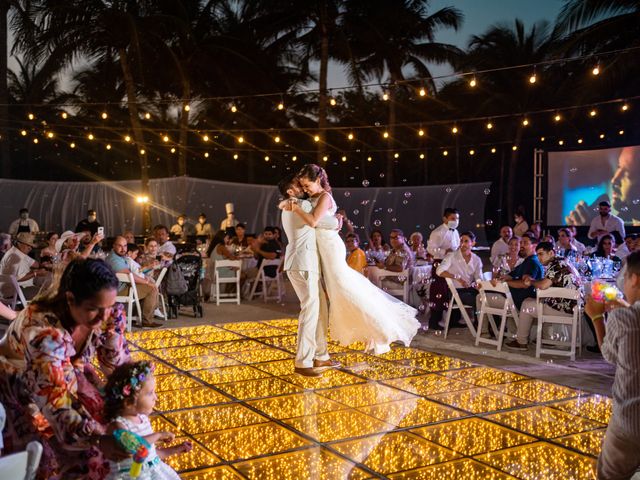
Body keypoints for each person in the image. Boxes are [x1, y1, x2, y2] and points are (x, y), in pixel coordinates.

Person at [0, 258, 131, 478]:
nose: (103, 317)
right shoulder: (42, 331)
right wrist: (97, 438)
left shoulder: (106, 313)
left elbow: (117, 367)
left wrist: (113, 337)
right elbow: (53, 398)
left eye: (108, 307)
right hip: (17, 382)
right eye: (94, 309)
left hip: (62, 377)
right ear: (70, 299)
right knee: (49, 459)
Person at [289, 164, 420, 355]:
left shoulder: (325, 197)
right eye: (303, 186)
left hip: (331, 247)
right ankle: (371, 331)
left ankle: (380, 330)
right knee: (340, 291)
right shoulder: (313, 198)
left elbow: (314, 221)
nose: (305, 189)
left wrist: (295, 209)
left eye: (307, 185)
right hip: (325, 247)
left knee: (345, 287)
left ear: (318, 180)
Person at [279, 174, 342, 376]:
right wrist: (338, 219)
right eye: (299, 186)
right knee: (310, 309)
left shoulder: (292, 205)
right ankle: (303, 361)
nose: (304, 189)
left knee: (320, 308)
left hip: (298, 262)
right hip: (304, 263)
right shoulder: (301, 206)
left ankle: (321, 356)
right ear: (290, 192)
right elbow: (327, 223)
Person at [584, 251, 640, 479]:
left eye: (624, 277)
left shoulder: (624, 318)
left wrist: (597, 318)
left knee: (610, 473)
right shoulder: (627, 314)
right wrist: (625, 305)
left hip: (631, 418)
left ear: (635, 279)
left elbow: (610, 354)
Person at [104, 361, 192, 479]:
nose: (155, 397)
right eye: (150, 393)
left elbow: (152, 456)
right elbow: (134, 447)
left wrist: (176, 449)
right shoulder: (118, 426)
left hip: (154, 473)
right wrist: (158, 435)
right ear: (129, 402)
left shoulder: (143, 419)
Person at [505, 241, 580, 350]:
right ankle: (547, 339)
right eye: (537, 254)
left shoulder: (556, 265)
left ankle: (521, 342)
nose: (539, 258)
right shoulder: (562, 262)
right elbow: (547, 282)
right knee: (538, 301)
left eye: (541, 254)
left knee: (527, 304)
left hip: (565, 307)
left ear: (551, 253)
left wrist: (530, 282)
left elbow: (543, 285)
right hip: (573, 306)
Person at [106, 236, 161, 328]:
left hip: (120, 287)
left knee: (149, 286)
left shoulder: (118, 257)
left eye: (125, 246)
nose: (123, 249)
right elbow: (130, 275)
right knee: (152, 288)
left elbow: (133, 274)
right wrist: (146, 282)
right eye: (120, 246)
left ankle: (140, 316)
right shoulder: (114, 260)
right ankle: (147, 321)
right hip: (118, 290)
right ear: (113, 246)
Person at [436, 231, 483, 327]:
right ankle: (480, 326)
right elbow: (439, 271)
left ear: (473, 243)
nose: (462, 244)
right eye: (461, 241)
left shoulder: (476, 259)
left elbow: (479, 278)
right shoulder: (451, 256)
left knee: (486, 298)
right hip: (455, 292)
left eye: (466, 241)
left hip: (470, 290)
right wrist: (457, 278)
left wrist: (479, 286)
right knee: (479, 300)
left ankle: (485, 325)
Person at [427, 208, 461, 330]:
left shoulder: (455, 232)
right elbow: (430, 249)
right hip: (440, 263)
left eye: (457, 219)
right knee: (438, 291)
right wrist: (444, 251)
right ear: (445, 219)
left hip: (452, 263)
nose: (455, 221)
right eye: (453, 218)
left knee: (450, 291)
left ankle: (453, 319)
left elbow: (457, 246)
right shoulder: (437, 232)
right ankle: (434, 321)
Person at [493, 233, 544, 311]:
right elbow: (510, 275)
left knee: (480, 297)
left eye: (525, 243)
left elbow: (525, 283)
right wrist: (499, 279)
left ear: (534, 246)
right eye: (521, 243)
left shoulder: (531, 262)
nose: (521, 246)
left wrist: (504, 283)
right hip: (514, 299)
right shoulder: (527, 261)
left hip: (518, 302)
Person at [0, 232, 49, 299]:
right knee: (49, 293)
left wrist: (38, 268)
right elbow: (19, 278)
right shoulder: (17, 257)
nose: (30, 248)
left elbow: (35, 264)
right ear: (19, 243)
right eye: (27, 245)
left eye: (31, 246)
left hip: (7, 290)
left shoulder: (14, 251)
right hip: (16, 291)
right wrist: (35, 273)